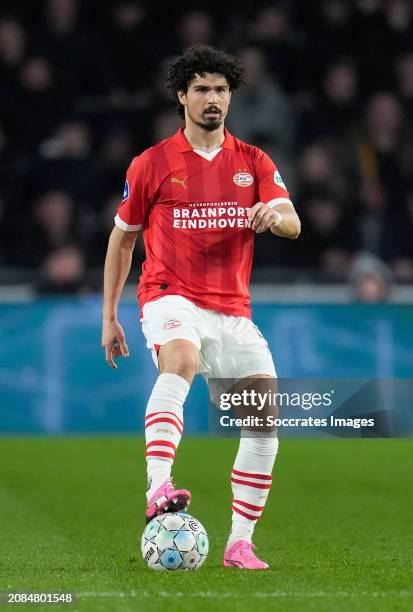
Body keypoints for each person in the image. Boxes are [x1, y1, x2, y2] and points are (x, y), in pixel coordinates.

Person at [101, 45, 301, 570]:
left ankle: (240, 543)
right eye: (202, 89)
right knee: (182, 360)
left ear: (231, 97)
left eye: (221, 90)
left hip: (232, 310)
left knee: (264, 420)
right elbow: (122, 240)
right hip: (170, 295)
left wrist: (270, 216)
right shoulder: (152, 164)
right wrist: (110, 316)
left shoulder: (253, 161)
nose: (213, 99)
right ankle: (159, 485)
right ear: (182, 97)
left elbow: (292, 221)